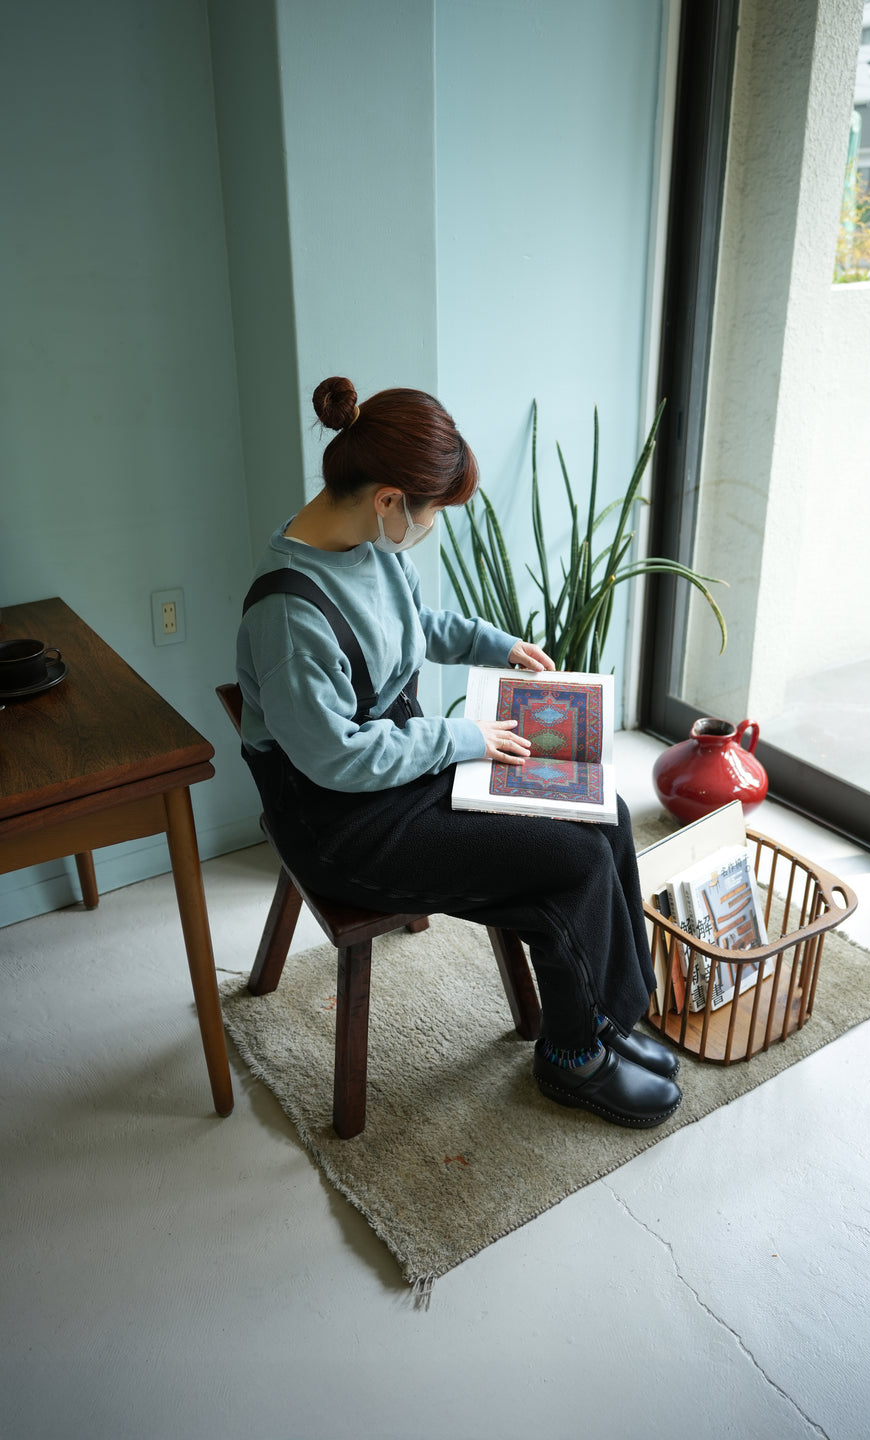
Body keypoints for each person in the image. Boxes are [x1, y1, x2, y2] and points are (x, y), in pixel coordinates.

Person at [236, 376, 681, 1128]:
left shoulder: (361, 543)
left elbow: (413, 622)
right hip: (345, 825)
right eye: (432, 511)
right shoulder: (288, 613)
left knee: (600, 810)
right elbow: (337, 760)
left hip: (402, 768)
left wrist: (494, 645)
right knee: (567, 865)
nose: (430, 525)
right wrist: (464, 737)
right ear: (388, 500)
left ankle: (607, 1018)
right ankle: (572, 1060)